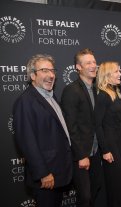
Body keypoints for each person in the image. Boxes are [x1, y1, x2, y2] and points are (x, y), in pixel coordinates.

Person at [13, 54, 72, 207]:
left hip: (58, 171)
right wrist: (43, 174)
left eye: (52, 71)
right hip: (46, 176)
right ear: (33, 75)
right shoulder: (25, 101)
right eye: (45, 70)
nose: (51, 75)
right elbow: (27, 142)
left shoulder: (51, 97)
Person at [61, 48, 104, 207]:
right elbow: (70, 127)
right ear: (78, 67)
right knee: (85, 196)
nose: (93, 65)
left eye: (94, 62)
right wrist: (81, 156)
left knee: (94, 189)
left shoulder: (96, 89)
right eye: (88, 63)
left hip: (95, 152)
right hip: (81, 154)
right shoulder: (71, 90)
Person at [94, 61, 121, 207]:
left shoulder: (116, 92)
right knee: (117, 184)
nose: (120, 74)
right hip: (111, 145)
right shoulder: (103, 96)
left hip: (120, 143)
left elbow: (117, 117)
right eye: (117, 71)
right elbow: (97, 125)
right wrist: (105, 150)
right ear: (107, 75)